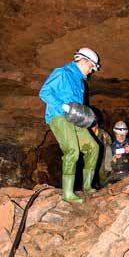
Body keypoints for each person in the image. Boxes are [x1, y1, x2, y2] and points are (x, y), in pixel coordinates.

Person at [39, 48, 100, 203]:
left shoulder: (80, 82)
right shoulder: (62, 73)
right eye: (91, 67)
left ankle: (87, 187)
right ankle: (67, 193)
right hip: (58, 116)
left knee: (94, 147)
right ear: (84, 61)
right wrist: (63, 106)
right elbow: (44, 92)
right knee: (72, 150)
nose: (91, 71)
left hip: (75, 119)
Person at [91, 119, 113, 187]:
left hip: (102, 158)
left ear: (97, 125)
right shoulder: (86, 133)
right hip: (91, 158)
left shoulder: (103, 134)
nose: (91, 128)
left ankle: (104, 188)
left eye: (93, 126)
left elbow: (110, 145)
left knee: (103, 175)